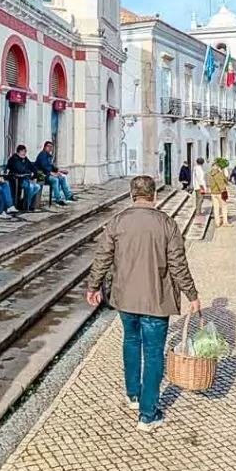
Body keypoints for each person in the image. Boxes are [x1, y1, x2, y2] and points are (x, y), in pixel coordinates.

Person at [85, 175, 201, 433]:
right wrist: (192, 295)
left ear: (131, 196)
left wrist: (93, 286)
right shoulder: (166, 224)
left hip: (125, 297)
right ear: (154, 196)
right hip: (156, 299)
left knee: (130, 341)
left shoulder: (117, 222)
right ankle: (148, 414)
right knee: (152, 353)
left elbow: (102, 256)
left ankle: (133, 395)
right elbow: (178, 264)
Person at [36, 141, 75, 205]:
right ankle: (58, 199)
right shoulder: (42, 155)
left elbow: (52, 167)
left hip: (47, 174)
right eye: (48, 146)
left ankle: (68, 196)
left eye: (51, 147)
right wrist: (52, 173)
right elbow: (44, 167)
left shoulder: (48, 156)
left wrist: (61, 171)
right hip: (41, 176)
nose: (50, 148)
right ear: (45, 147)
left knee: (62, 177)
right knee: (55, 179)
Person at [6, 145, 41, 210]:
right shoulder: (14, 159)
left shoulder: (25, 159)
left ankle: (26, 203)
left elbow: (33, 167)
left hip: (26, 179)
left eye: (25, 151)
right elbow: (19, 169)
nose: (24, 153)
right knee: (30, 187)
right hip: (17, 180)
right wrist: (30, 173)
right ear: (19, 152)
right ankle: (26, 206)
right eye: (23, 151)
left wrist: (34, 176)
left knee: (37, 187)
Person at [206, 159, 228, 227]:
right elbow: (226, 181)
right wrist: (222, 172)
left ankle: (217, 222)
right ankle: (225, 222)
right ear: (217, 166)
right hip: (220, 192)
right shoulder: (219, 174)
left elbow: (208, 183)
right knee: (224, 207)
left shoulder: (208, 174)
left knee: (216, 208)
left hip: (213, 193)